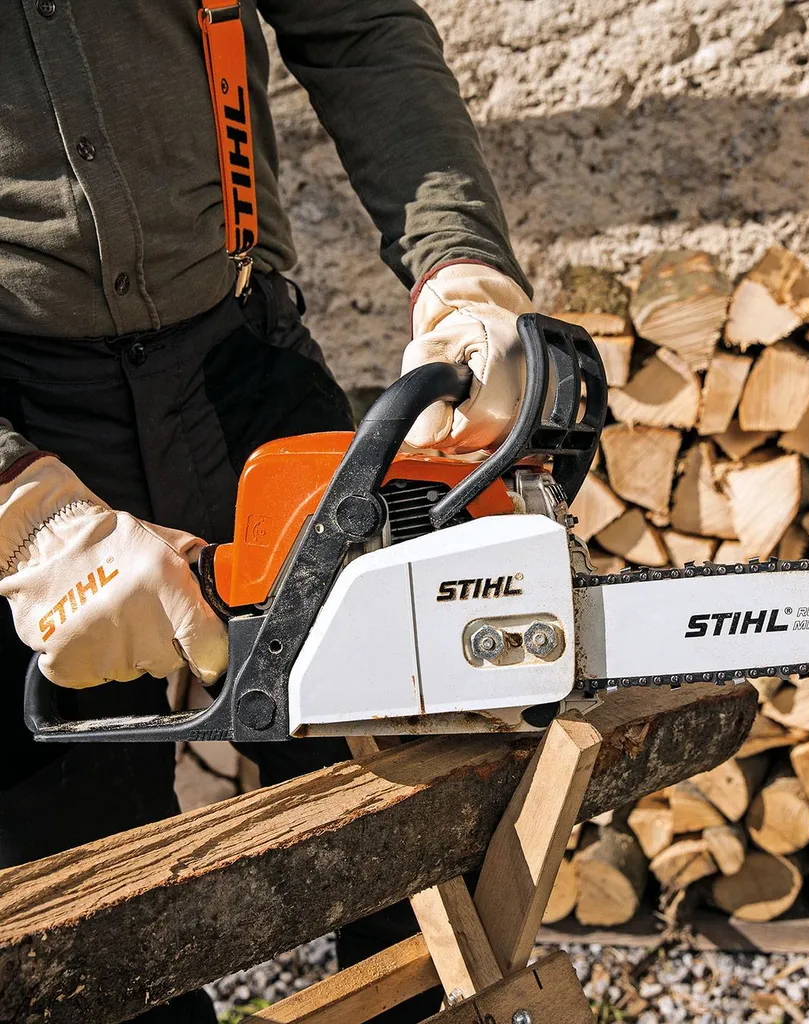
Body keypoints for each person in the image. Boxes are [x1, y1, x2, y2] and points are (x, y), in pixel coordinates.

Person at [0, 2, 534, 1020]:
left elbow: (358, 25)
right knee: (69, 910)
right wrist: (16, 500)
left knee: (418, 778)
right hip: (19, 412)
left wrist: (461, 264)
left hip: (238, 363)